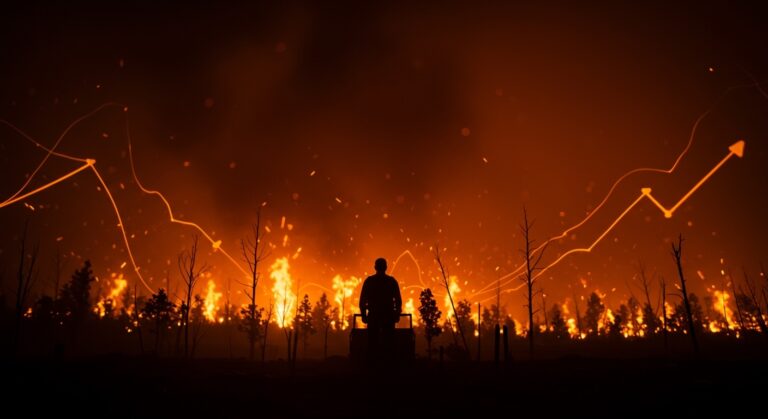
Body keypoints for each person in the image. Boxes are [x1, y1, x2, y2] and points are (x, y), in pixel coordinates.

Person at [359, 257, 402, 361]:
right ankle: (388, 366)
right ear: (386, 267)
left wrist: (364, 314)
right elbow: (398, 300)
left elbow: (362, 300)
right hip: (388, 316)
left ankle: (372, 367)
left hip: (374, 315)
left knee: (372, 343)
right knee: (389, 342)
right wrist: (396, 314)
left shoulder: (369, 281)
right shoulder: (391, 281)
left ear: (375, 267)